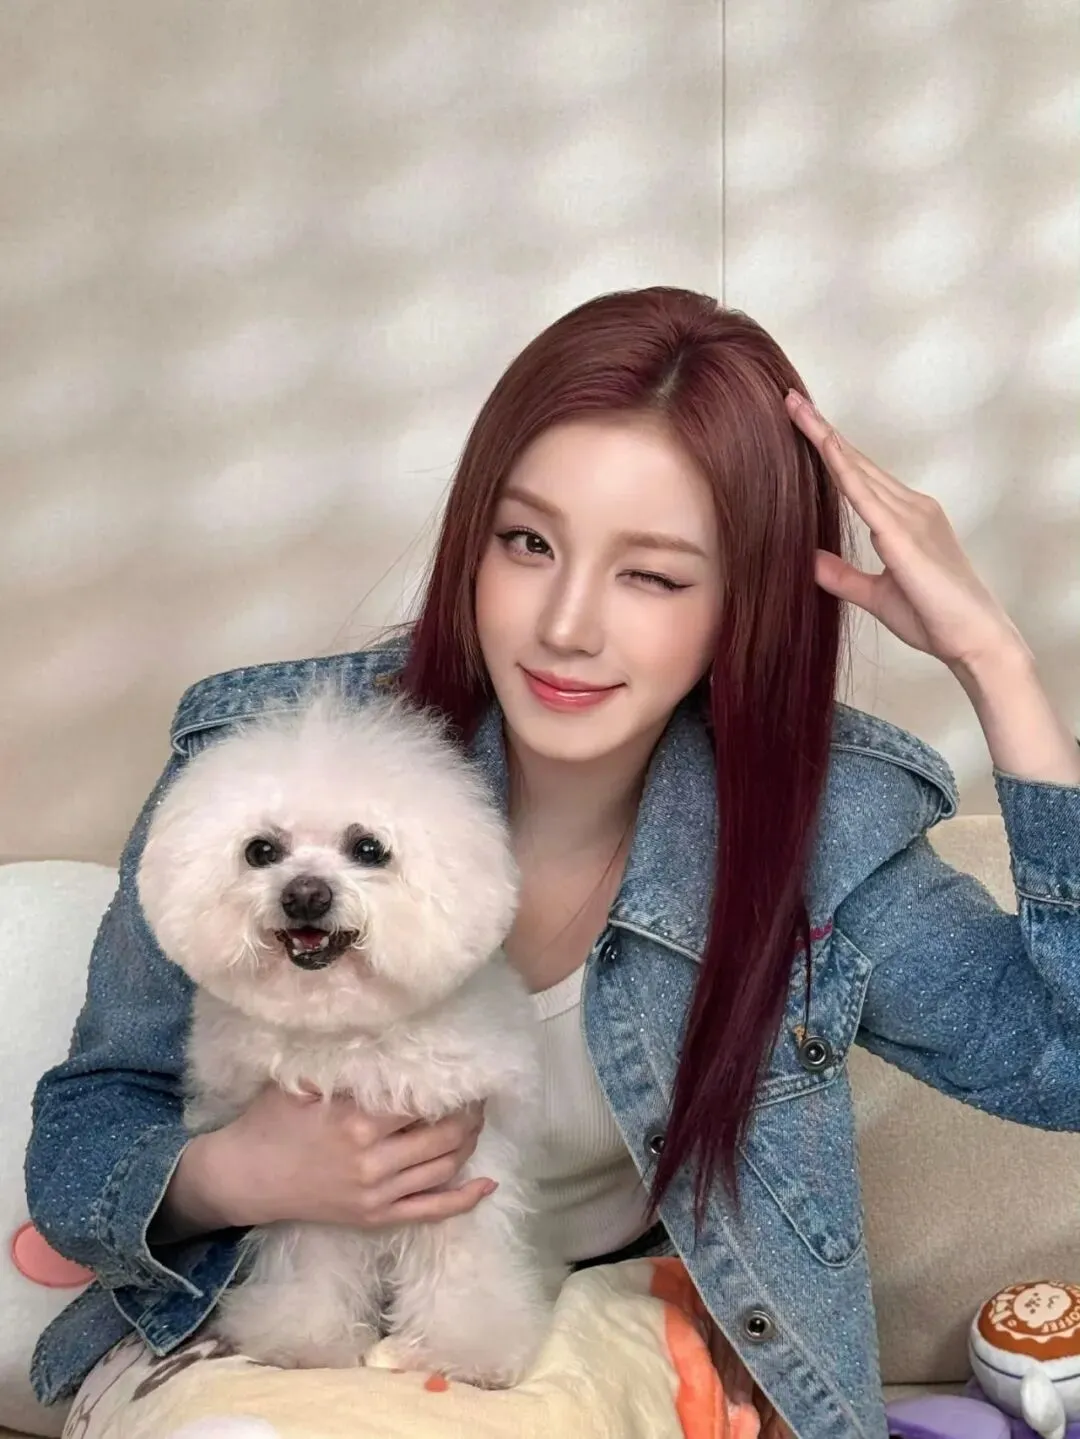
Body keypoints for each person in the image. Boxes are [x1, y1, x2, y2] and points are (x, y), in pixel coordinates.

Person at [25, 287, 1080, 1439]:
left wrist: (997, 662)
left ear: (745, 601)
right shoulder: (267, 771)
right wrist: (241, 1174)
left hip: (591, 1332)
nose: (567, 623)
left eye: (653, 574)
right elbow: (85, 1134)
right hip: (239, 1318)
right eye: (528, 542)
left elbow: (1061, 1061)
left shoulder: (815, 831)